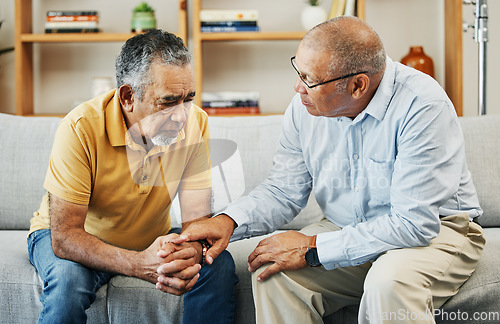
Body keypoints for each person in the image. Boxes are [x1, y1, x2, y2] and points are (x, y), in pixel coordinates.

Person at [174, 16, 485, 323]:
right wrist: (229, 221)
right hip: (344, 225)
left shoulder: (422, 106)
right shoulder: (304, 107)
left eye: (310, 79)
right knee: (273, 273)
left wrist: (312, 248)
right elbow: (284, 189)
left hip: (433, 232)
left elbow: (412, 224)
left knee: (388, 284)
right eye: (298, 70)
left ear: (357, 86)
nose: (298, 87)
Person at [27, 29, 238, 324]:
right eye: (168, 102)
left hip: (149, 238)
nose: (182, 116)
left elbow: (196, 222)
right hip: (74, 237)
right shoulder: (80, 127)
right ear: (128, 97)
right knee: (67, 280)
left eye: (188, 98)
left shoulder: (195, 123)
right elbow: (65, 238)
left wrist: (190, 249)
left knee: (218, 264)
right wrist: (139, 264)